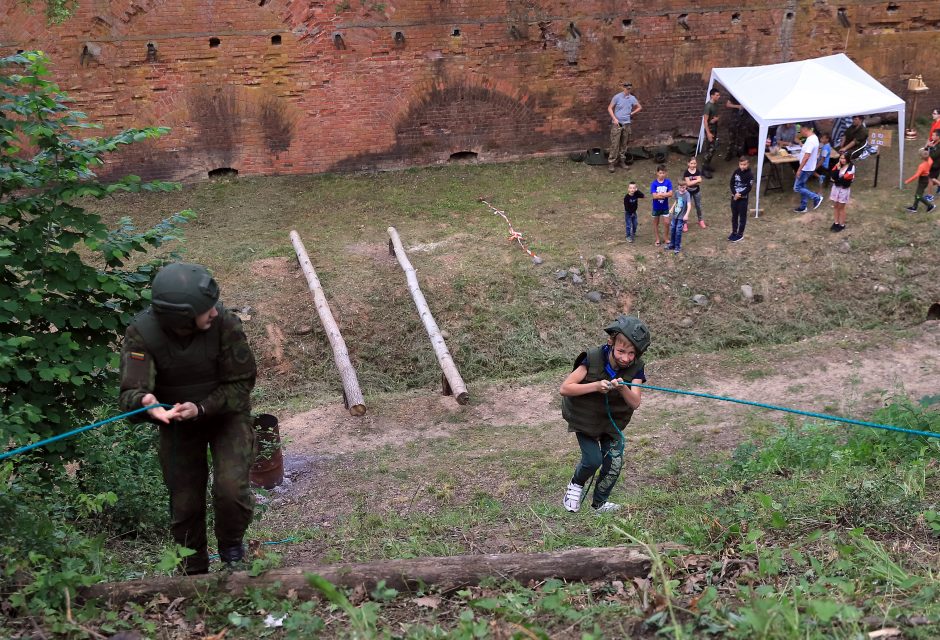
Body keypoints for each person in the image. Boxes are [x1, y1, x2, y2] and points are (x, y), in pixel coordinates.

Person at [119, 262, 258, 575]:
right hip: (178, 424)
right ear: (181, 316)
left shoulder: (224, 323)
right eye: (205, 309)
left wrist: (203, 408)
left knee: (231, 490)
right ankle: (192, 569)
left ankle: (232, 550)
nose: (214, 312)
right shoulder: (142, 333)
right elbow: (130, 393)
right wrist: (146, 402)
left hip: (226, 418)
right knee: (184, 503)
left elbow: (242, 382)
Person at [560, 315, 650, 514]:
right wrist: (595, 386)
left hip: (611, 423)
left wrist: (622, 388)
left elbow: (634, 402)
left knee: (614, 462)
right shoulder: (591, 358)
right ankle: (575, 485)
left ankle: (599, 504)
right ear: (611, 343)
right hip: (585, 420)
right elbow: (565, 388)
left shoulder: (637, 369)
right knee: (593, 460)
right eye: (621, 351)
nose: (625, 358)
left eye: (631, 354)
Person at [607, 82, 642, 173]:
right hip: (618, 123)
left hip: (627, 123)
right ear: (623, 88)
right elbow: (610, 108)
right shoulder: (617, 97)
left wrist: (631, 113)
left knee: (624, 143)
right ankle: (611, 162)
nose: (628, 90)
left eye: (629, 89)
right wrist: (614, 118)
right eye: (627, 89)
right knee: (615, 143)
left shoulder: (632, 98)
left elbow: (639, 107)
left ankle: (622, 161)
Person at [793, 123, 823, 213]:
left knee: (797, 187)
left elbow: (806, 157)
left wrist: (799, 169)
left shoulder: (810, 141)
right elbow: (815, 152)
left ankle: (816, 197)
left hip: (805, 168)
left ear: (805, 129)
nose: (800, 132)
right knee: (803, 186)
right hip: (809, 167)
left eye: (801, 130)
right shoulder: (814, 138)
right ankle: (803, 206)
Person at [729, 156, 754, 242]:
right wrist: (735, 193)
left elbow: (749, 187)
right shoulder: (736, 172)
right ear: (739, 164)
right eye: (741, 164)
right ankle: (734, 232)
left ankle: (740, 234)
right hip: (734, 197)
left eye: (744, 164)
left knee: (742, 217)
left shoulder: (750, 174)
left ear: (748, 164)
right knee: (734, 216)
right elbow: (731, 183)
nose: (743, 166)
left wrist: (740, 194)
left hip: (743, 199)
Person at [828, 154, 855, 232]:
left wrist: (835, 180)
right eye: (841, 158)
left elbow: (845, 180)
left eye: (844, 158)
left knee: (841, 207)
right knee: (835, 206)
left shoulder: (851, 167)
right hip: (836, 188)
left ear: (848, 159)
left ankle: (842, 224)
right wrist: (838, 170)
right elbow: (832, 175)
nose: (842, 160)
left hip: (844, 189)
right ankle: (836, 223)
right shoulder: (838, 165)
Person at [904, 148, 936, 213]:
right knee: (918, 193)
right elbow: (927, 155)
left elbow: (916, 175)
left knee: (918, 195)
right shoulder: (930, 160)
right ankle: (914, 207)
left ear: (921, 157)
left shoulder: (922, 166)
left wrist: (908, 181)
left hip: (923, 181)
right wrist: (925, 151)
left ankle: (930, 206)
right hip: (926, 178)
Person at [650, 164, 673, 246]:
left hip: (665, 207)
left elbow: (671, 194)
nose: (661, 175)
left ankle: (666, 238)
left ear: (665, 173)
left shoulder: (668, 182)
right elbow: (654, 196)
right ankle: (657, 239)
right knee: (656, 223)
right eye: (660, 173)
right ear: (657, 173)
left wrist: (660, 194)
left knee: (667, 222)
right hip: (656, 207)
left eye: (663, 173)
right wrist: (665, 194)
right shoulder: (654, 184)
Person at [665, 182, 691, 254]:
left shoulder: (687, 194)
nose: (682, 189)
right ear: (678, 187)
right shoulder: (676, 192)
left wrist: (686, 215)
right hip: (675, 215)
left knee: (678, 231)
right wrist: (671, 208)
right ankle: (672, 245)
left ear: (686, 187)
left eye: (683, 187)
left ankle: (677, 247)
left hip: (681, 217)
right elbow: (676, 201)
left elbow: (689, 205)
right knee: (672, 229)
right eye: (680, 187)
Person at [701, 88, 722, 177]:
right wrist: (708, 133)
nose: (719, 97)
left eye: (719, 95)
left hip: (715, 128)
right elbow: (705, 121)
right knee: (710, 149)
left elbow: (719, 114)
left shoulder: (716, 105)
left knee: (713, 149)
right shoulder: (708, 106)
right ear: (712, 95)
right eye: (717, 95)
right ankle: (704, 169)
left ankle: (707, 165)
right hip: (710, 130)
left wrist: (717, 119)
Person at [683, 157, 706, 228]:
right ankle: (684, 223)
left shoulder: (698, 171)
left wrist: (692, 182)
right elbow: (688, 184)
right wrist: (696, 181)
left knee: (698, 206)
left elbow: (699, 182)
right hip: (688, 192)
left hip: (696, 191)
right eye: (691, 163)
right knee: (686, 207)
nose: (693, 165)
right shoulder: (686, 173)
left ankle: (701, 220)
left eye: (694, 163)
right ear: (688, 164)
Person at [924, 129, 940, 203]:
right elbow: (926, 151)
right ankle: (929, 195)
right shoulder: (934, 143)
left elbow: (934, 155)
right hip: (932, 164)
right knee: (931, 179)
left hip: (935, 165)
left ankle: (930, 196)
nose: (932, 136)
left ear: (938, 136)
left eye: (934, 135)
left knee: (930, 179)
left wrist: (931, 147)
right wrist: (927, 146)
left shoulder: (938, 145)